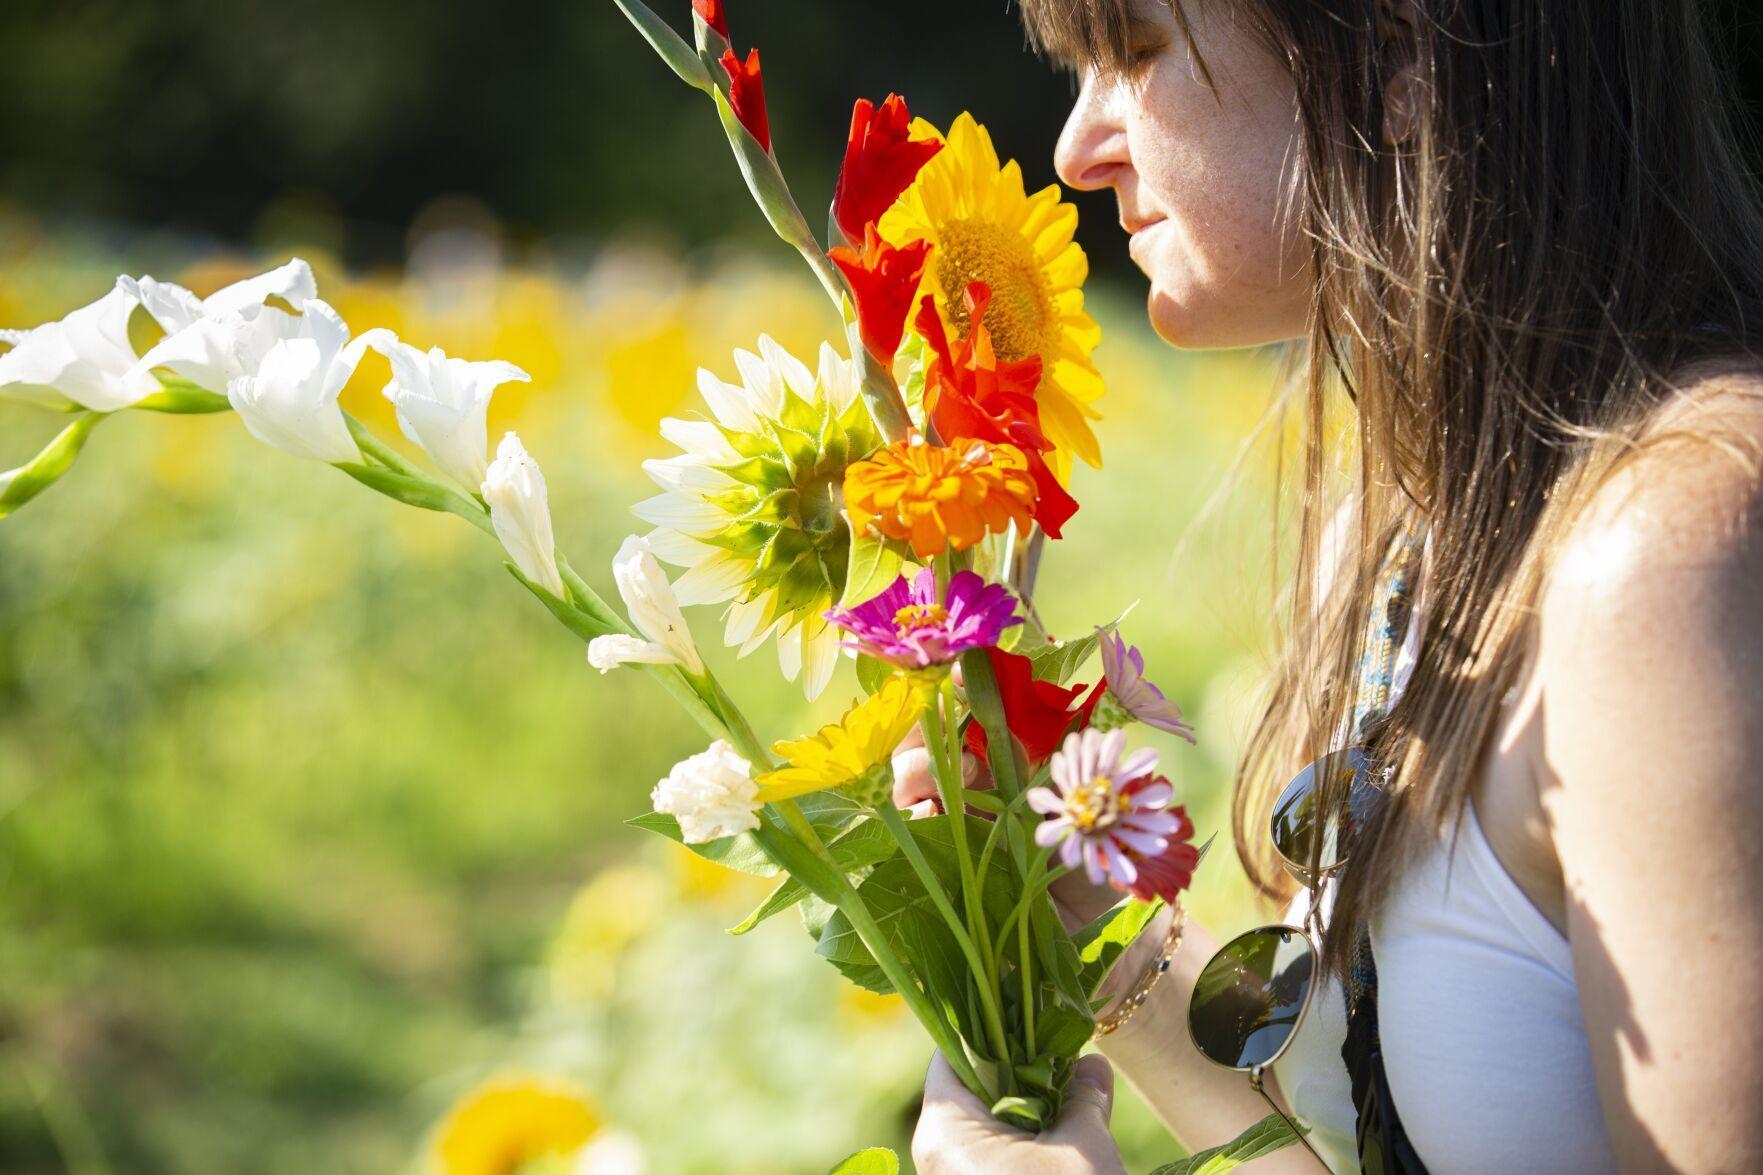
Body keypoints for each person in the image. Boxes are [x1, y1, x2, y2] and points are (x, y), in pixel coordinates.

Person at [901, 0, 1763, 1170]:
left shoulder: (1670, 558)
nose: (1075, 149)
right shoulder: (1403, 524)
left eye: (1136, 49)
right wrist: (1080, 911)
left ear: (1400, 53)